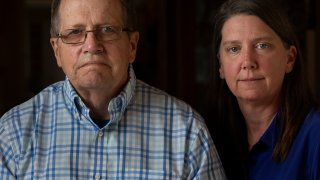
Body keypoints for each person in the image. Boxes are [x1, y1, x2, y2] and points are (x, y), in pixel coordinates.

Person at [0, 0, 226, 179]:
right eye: (75, 32)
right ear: (56, 50)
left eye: (107, 30)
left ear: (132, 45)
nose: (91, 46)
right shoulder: (14, 133)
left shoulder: (186, 131)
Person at [208, 0, 320, 179]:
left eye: (262, 46)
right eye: (234, 49)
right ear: (220, 65)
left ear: (289, 59)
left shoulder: (315, 134)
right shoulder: (208, 138)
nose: (248, 62)